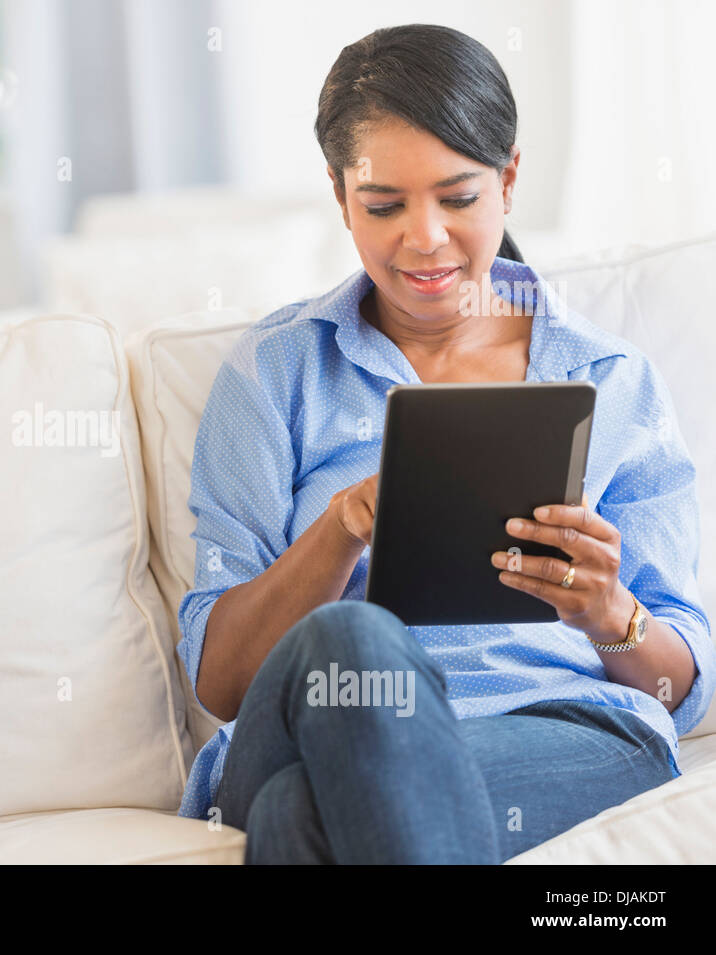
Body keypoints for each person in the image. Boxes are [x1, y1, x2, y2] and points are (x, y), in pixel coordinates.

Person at [176, 23, 713, 863]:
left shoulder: (610, 379)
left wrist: (609, 610)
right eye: (384, 204)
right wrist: (344, 526)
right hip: (315, 710)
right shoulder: (274, 373)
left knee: (296, 818)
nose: (423, 238)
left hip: (559, 731)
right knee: (348, 640)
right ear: (339, 194)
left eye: (458, 198)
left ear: (508, 178)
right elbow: (221, 682)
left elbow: (677, 692)